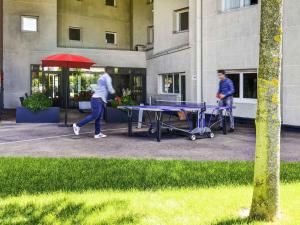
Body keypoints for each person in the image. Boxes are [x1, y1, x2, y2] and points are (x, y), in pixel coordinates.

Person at [73, 67, 116, 138]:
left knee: (99, 117)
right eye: (112, 70)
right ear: (108, 70)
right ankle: (77, 125)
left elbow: (103, 89)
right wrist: (115, 92)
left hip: (99, 99)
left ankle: (97, 133)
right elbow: (110, 89)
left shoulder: (102, 77)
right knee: (95, 116)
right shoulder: (107, 77)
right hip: (97, 99)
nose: (113, 72)